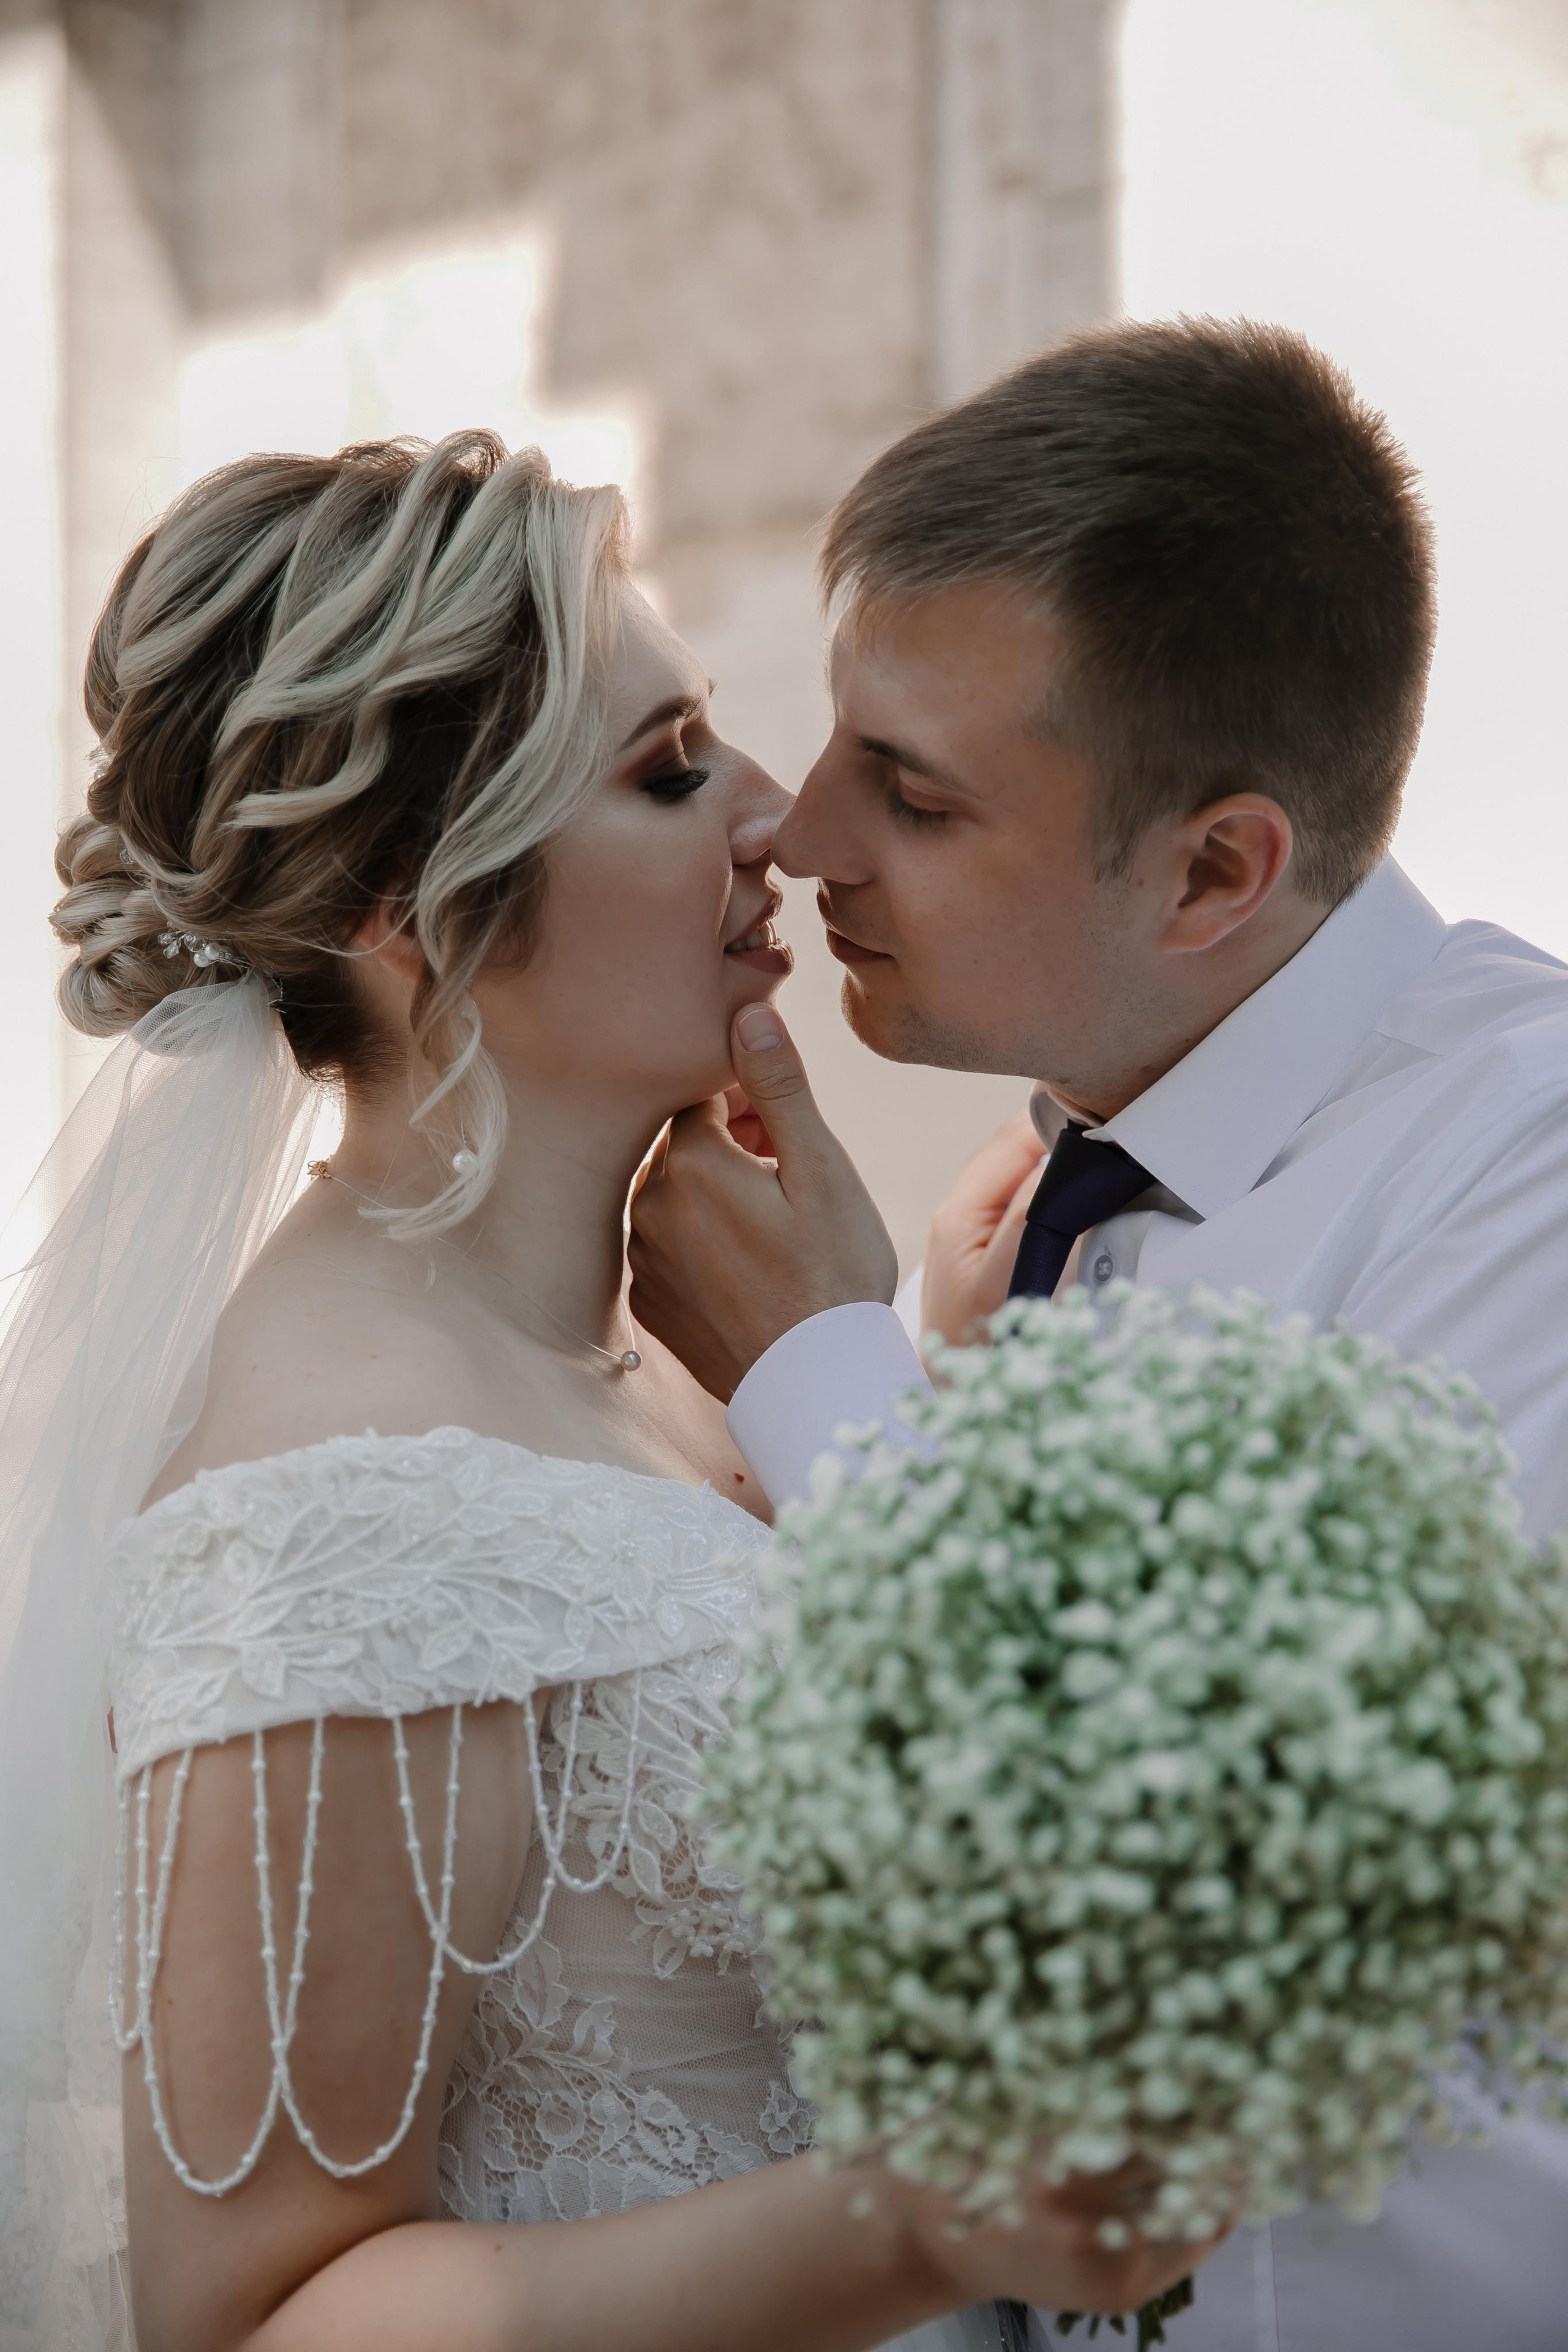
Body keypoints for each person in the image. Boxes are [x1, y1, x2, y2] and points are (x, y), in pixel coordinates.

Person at [0, 431, 1211, 2352]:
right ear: (414, 911)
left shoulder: (686, 1351)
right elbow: (254, 2323)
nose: (778, 818)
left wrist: (898, 1388)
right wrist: (923, 2218)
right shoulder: (334, 1495)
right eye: (667, 774)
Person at [627, 318, 1568, 2351]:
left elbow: (1209, 1853)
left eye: (922, 797)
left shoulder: (1532, 1176)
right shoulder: (1069, 1182)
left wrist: (812, 1366)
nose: (802, 843)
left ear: (1219, 866)